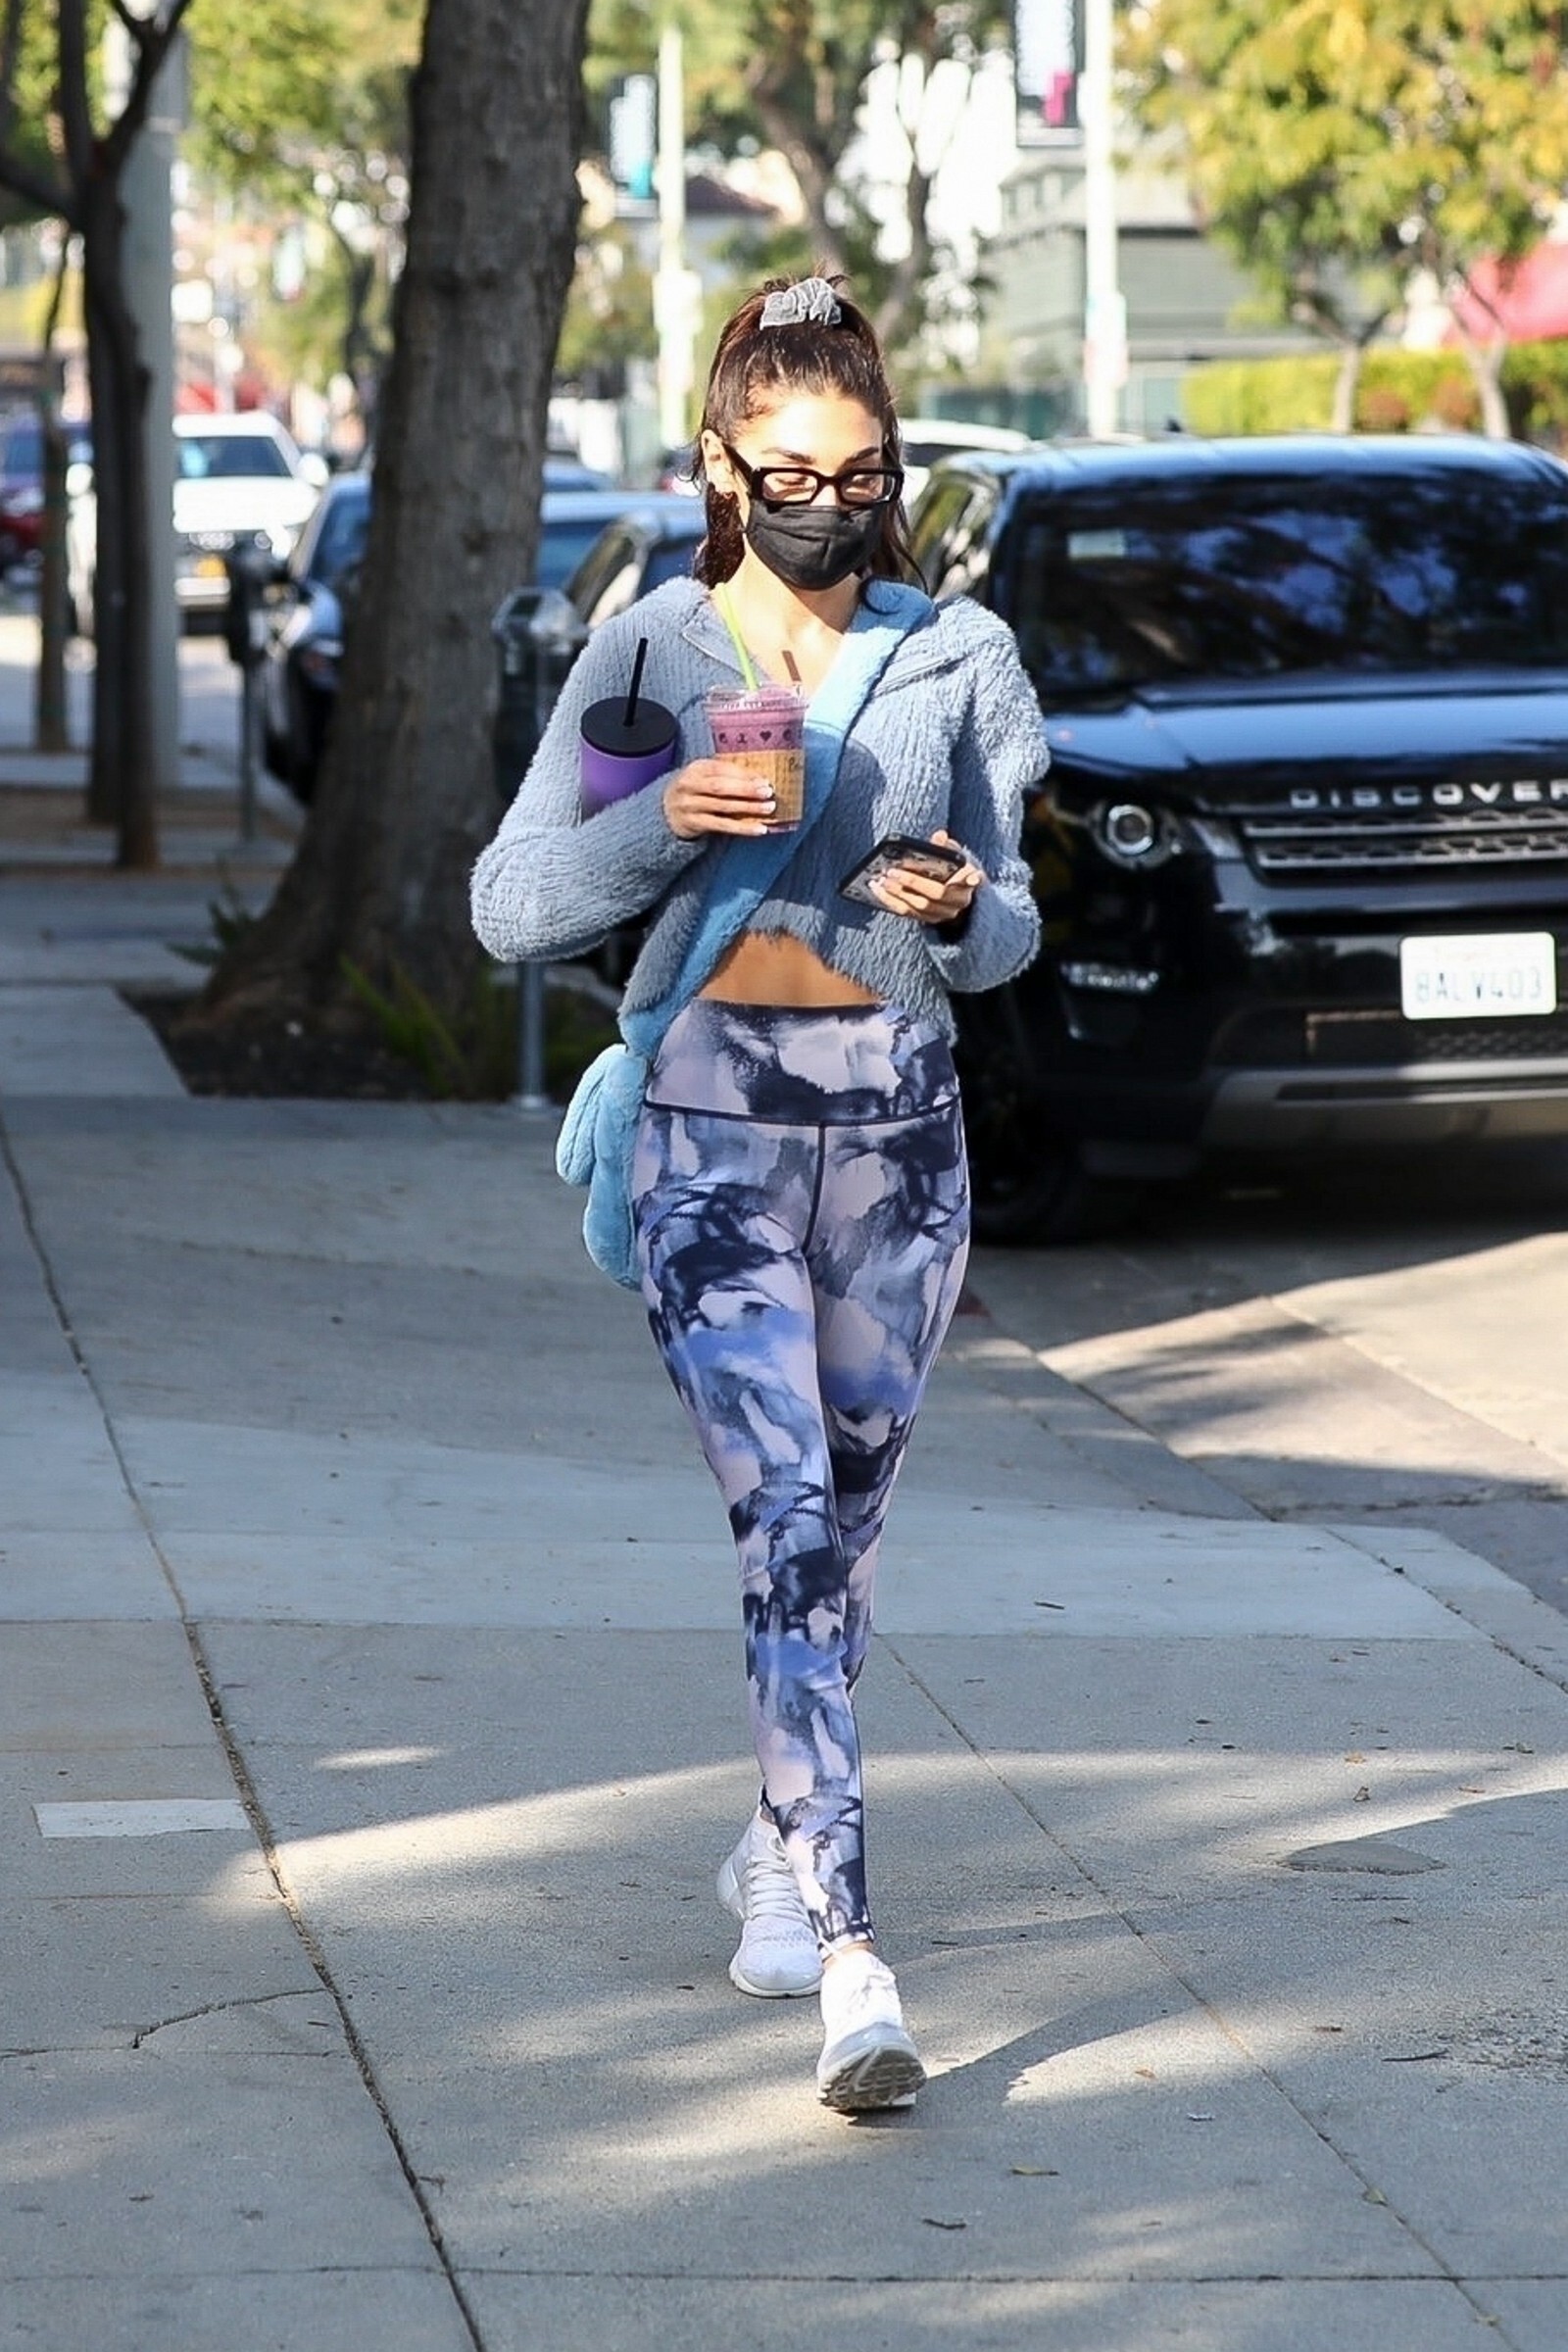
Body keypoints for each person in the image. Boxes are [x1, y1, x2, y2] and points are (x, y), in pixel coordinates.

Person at [471, 274, 1044, 2113]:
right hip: (707, 1126)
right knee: (785, 1521)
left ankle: (775, 1839)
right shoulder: (651, 656)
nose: (830, 506)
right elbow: (511, 906)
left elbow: (1017, 928)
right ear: (722, 464)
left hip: (898, 1137)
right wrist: (663, 823)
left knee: (844, 1535)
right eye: (793, 475)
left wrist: (964, 910)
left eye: (863, 476)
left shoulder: (959, 656)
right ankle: (855, 1957)